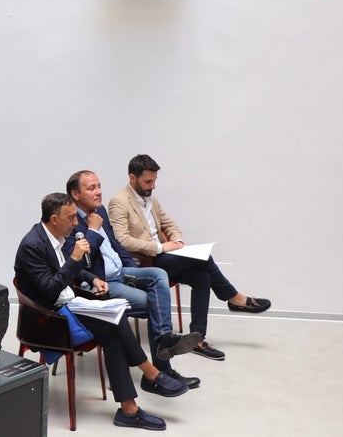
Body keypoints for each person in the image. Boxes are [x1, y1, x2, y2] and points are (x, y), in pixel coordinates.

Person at [15, 193, 190, 431]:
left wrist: (92, 278)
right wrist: (75, 258)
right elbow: (49, 291)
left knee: (114, 325)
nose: (76, 223)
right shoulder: (32, 246)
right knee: (115, 322)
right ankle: (150, 375)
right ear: (54, 219)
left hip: (67, 306)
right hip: (48, 319)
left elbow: (66, 268)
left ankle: (130, 409)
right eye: (70, 218)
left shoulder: (53, 237)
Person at [107, 154, 271, 360]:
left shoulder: (150, 198)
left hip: (164, 257)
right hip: (145, 263)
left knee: (203, 277)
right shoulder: (118, 202)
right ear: (132, 178)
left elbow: (170, 224)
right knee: (204, 258)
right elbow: (122, 241)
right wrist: (161, 247)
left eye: (155, 180)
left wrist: (177, 241)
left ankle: (198, 340)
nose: (153, 186)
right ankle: (234, 297)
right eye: (148, 181)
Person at [64, 170, 201, 388]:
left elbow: (116, 245)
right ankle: (159, 372)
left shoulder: (100, 211)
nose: (99, 192)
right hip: (102, 283)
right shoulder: (70, 221)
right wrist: (92, 230)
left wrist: (132, 269)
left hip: (121, 271)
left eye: (99, 186)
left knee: (158, 274)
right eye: (91, 188)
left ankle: (164, 340)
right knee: (153, 303)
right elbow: (81, 262)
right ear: (75, 194)